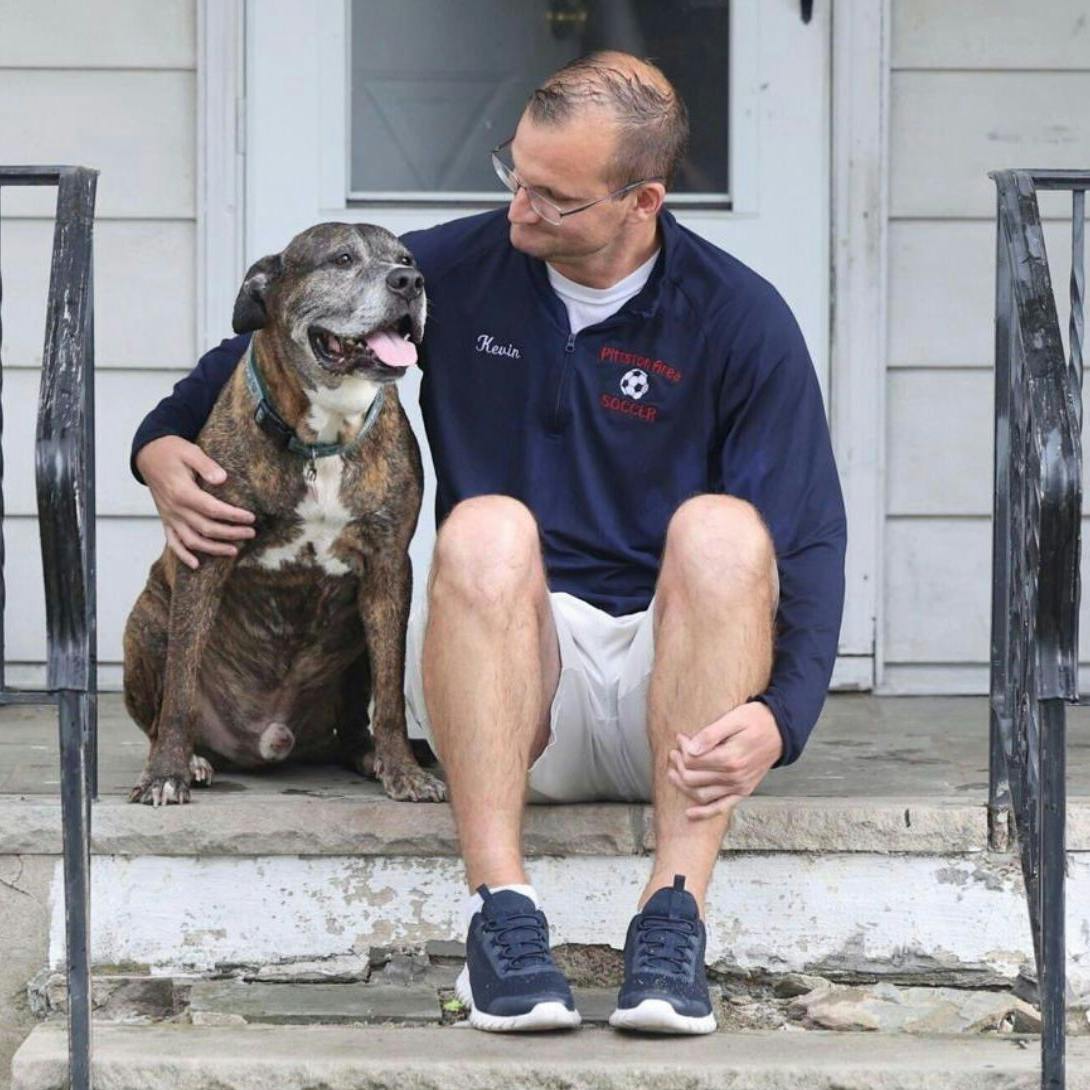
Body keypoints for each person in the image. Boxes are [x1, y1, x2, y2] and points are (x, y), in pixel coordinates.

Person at [130, 51, 847, 1035]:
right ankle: (501, 917)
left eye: (553, 197)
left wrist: (783, 714)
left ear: (643, 200)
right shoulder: (461, 270)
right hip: (511, 691)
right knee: (484, 527)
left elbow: (805, 534)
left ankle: (671, 919)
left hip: (677, 702)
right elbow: (267, 337)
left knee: (722, 530)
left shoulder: (737, 316)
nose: (519, 209)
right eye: (515, 170)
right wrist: (159, 445)